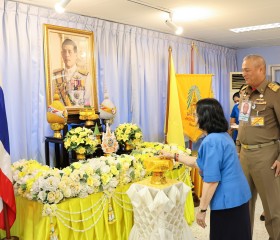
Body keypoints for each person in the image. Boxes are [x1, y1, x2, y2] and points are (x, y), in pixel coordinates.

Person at [160, 98, 252, 240]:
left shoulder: (212, 141)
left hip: (227, 202)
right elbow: (200, 162)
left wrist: (202, 210)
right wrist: (173, 156)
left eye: (196, 115)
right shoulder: (222, 136)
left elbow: (212, 180)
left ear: (205, 117)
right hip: (238, 196)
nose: (194, 118)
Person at [236, 54, 280, 239]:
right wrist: (238, 150)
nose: (243, 73)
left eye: (247, 69)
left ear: (261, 69)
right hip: (245, 155)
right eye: (243, 69)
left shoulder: (274, 93)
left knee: (272, 208)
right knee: (243, 205)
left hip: (267, 155)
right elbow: (244, 122)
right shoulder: (245, 91)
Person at [53, 38, 92, 107]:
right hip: (61, 116)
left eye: (69, 52)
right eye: (64, 52)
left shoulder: (84, 76)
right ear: (62, 54)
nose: (66, 55)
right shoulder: (56, 76)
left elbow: (88, 101)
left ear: (76, 55)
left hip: (78, 116)